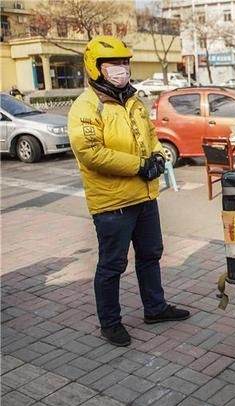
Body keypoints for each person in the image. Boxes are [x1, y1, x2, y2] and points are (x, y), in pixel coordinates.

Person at [68, 36, 190, 347]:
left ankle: (156, 307)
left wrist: (159, 159)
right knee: (112, 265)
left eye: (125, 62)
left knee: (150, 255)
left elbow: (152, 139)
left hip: (146, 197)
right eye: (114, 64)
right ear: (96, 68)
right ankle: (110, 322)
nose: (122, 68)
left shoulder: (134, 101)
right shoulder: (85, 106)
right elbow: (91, 153)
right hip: (113, 203)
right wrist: (139, 165)